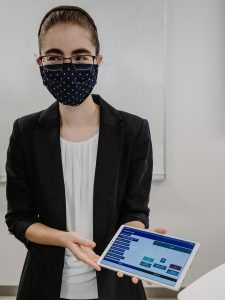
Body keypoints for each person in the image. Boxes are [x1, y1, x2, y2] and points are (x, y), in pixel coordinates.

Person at [5, 5, 166, 300]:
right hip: (44, 287)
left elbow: (135, 211)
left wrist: (136, 238)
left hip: (115, 289)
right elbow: (19, 218)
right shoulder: (25, 132)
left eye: (80, 56)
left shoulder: (133, 131)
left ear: (98, 60)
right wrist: (62, 239)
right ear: (40, 63)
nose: (67, 66)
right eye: (54, 57)